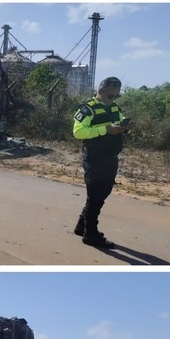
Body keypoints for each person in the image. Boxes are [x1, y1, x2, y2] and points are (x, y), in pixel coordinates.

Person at [72, 76, 131, 248]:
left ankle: (81, 225)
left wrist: (123, 128)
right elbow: (78, 132)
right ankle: (90, 234)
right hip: (95, 157)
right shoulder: (87, 109)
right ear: (101, 91)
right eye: (111, 96)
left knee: (102, 193)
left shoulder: (114, 107)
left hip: (110, 156)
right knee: (96, 194)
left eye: (116, 96)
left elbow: (118, 122)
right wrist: (105, 129)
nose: (114, 99)